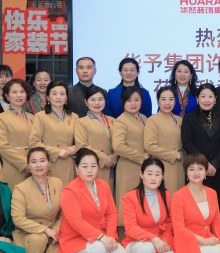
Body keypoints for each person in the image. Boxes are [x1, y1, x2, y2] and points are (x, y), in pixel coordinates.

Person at [58, 148, 128, 253]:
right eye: (84, 166)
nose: (89, 170)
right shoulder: (70, 191)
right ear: (76, 169)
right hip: (75, 240)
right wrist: (101, 237)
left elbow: (112, 212)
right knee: (98, 248)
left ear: (98, 168)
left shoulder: (103, 185)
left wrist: (110, 236)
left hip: (101, 238)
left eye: (93, 166)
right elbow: (76, 221)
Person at [11, 147, 69, 253]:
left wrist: (56, 229)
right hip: (29, 233)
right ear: (28, 166)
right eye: (34, 162)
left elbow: (65, 212)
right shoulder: (20, 188)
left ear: (49, 163)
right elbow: (18, 219)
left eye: (42, 161)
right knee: (39, 239)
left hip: (53, 232)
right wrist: (45, 231)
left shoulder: (58, 183)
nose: (38, 165)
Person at [181, 83, 220, 241]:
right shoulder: (189, 118)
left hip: (218, 170)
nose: (206, 100)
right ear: (197, 98)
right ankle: (197, 240)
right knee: (196, 207)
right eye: (203, 96)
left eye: (210, 96)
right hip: (197, 169)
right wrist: (204, 164)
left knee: (219, 205)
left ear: (215, 99)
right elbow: (187, 142)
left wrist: (214, 163)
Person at [122, 158, 178, 253]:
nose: (153, 178)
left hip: (160, 241)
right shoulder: (130, 197)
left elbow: (169, 221)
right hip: (136, 243)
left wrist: (165, 240)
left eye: (157, 174)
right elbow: (130, 228)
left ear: (162, 177)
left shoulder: (166, 195)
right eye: (149, 173)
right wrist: (153, 239)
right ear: (141, 175)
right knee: (146, 249)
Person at [112, 87, 149, 225]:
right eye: (129, 100)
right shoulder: (120, 121)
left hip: (144, 167)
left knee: (142, 201)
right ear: (123, 102)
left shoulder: (144, 118)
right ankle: (125, 232)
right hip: (128, 167)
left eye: (136, 100)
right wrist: (141, 156)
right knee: (128, 201)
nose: (133, 103)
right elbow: (118, 146)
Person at [29, 80, 77, 186]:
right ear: (48, 97)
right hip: (51, 162)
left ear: (66, 98)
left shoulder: (74, 117)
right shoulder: (40, 116)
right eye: (54, 94)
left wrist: (75, 147)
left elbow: (80, 140)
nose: (58, 97)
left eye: (62, 94)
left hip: (69, 163)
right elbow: (34, 143)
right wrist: (57, 152)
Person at [0, 79, 35, 190]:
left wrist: (35, 163)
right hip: (13, 166)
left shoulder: (33, 118)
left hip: (35, 167)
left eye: (22, 92)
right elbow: (2, 147)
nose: (19, 95)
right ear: (7, 96)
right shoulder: (0, 118)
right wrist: (25, 164)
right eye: (14, 92)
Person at [144, 86, 185, 195]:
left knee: (179, 198)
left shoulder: (180, 120)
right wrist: (174, 155)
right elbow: (150, 146)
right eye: (163, 99)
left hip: (180, 166)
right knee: (166, 197)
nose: (167, 103)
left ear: (175, 101)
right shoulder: (152, 120)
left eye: (171, 99)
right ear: (158, 101)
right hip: (162, 166)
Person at [75, 86, 117, 184]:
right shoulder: (81, 122)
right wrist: (104, 159)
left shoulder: (113, 120)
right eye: (92, 100)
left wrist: (114, 158)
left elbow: (118, 143)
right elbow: (82, 146)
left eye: (100, 99)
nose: (97, 103)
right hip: (92, 166)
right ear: (86, 102)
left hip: (111, 167)